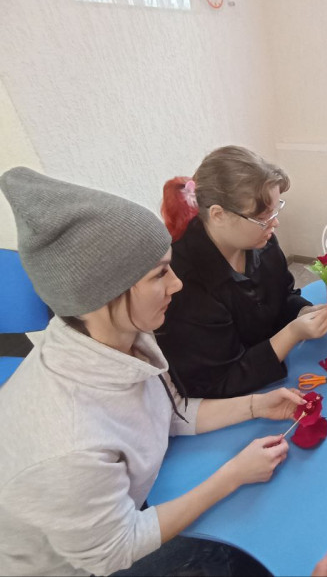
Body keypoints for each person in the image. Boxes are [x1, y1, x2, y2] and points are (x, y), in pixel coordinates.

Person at [0, 167, 310, 576]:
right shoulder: (71, 444)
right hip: (87, 566)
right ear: (103, 295)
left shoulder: (121, 338)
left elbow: (170, 410)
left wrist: (256, 405)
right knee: (238, 548)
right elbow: (115, 550)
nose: (178, 284)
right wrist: (232, 475)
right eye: (160, 273)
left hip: (120, 510)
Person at [158, 146, 327, 398]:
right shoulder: (185, 282)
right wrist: (293, 333)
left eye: (275, 210)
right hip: (228, 399)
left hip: (269, 371)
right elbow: (219, 381)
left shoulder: (260, 241)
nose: (274, 222)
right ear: (218, 215)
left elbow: (282, 296)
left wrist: (302, 311)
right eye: (263, 216)